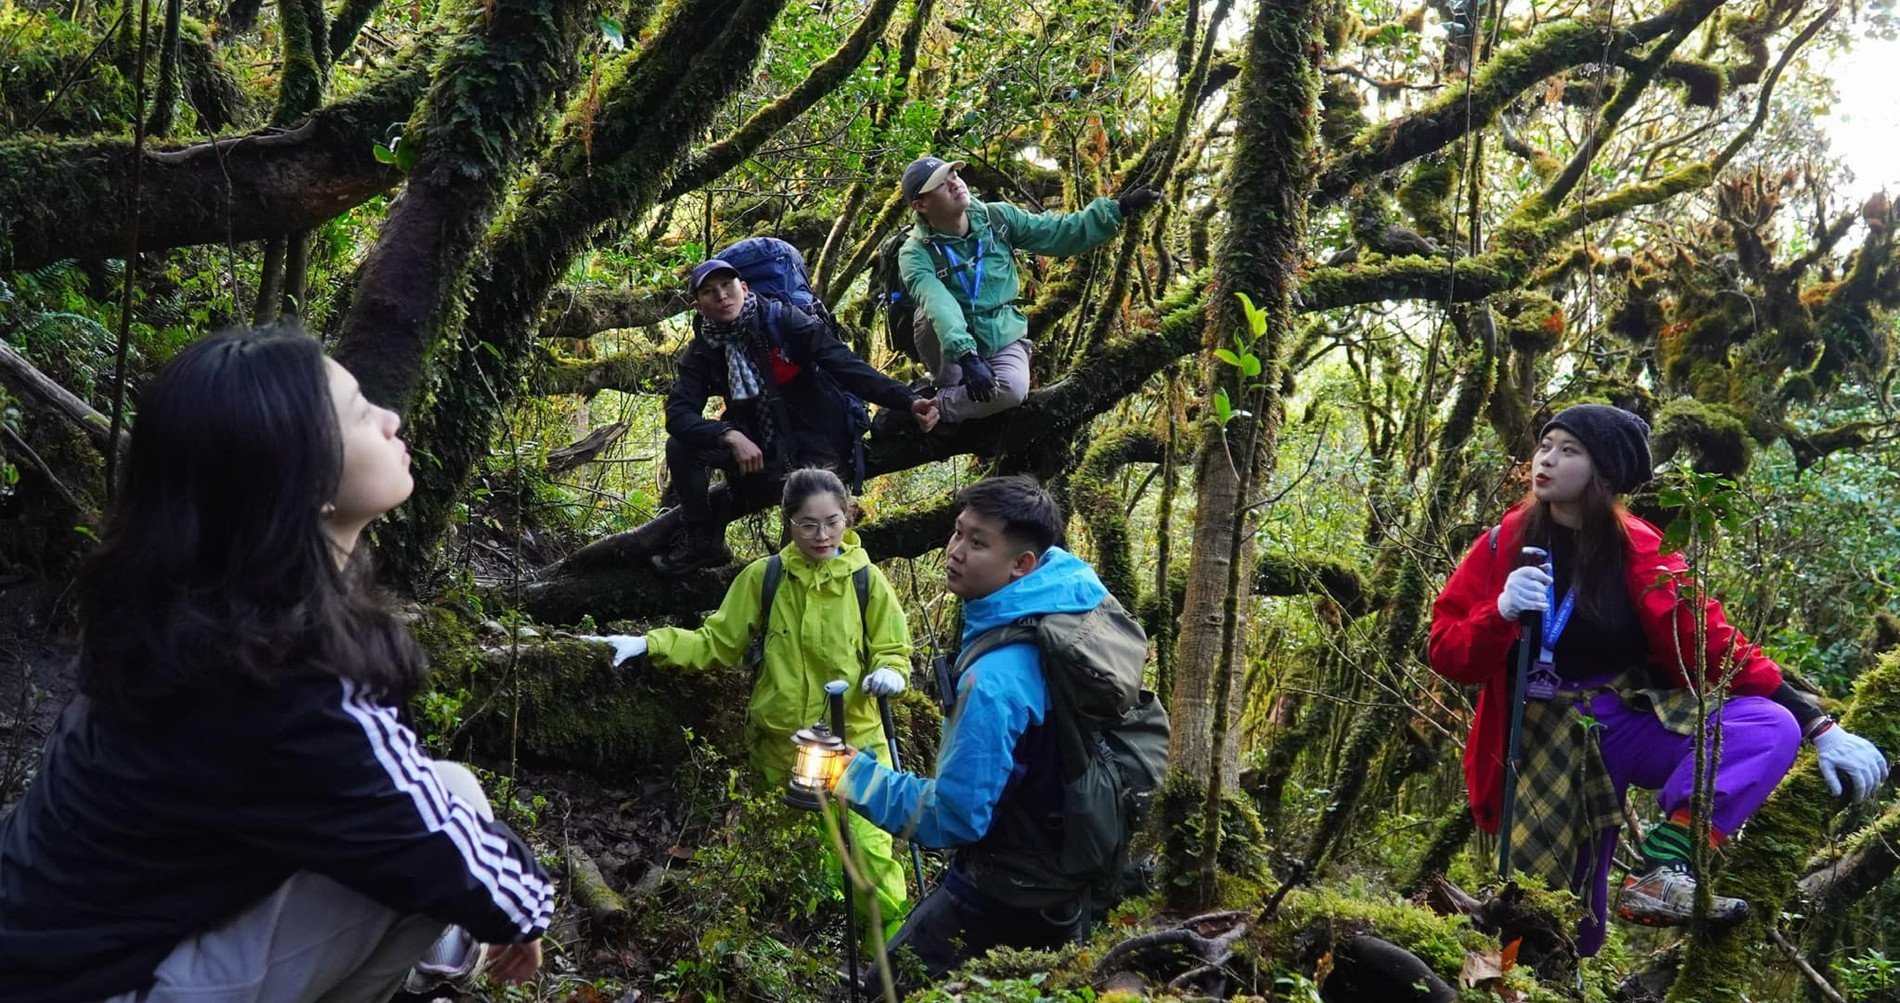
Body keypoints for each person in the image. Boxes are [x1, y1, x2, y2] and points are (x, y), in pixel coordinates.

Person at [0, 327, 554, 1002]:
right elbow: (433, 842)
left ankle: (431, 960)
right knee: (454, 814)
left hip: (46, 950)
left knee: (438, 811)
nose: (392, 418)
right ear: (305, 479)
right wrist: (527, 906)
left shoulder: (189, 610)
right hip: (101, 985)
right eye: (359, 413)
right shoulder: (286, 677)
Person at [1428, 403, 1888, 955]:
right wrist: (1498, 613)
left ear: (1604, 472)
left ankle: (1665, 866)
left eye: (1568, 451)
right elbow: (1446, 652)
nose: (1545, 460)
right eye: (1544, 446)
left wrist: (1819, 725)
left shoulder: (1639, 546)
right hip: (1542, 739)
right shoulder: (1504, 542)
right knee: (1567, 926)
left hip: (1626, 719)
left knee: (1767, 726)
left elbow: (1714, 643)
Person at [588, 468, 915, 941]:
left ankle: (891, 958)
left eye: (832, 521)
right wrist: (650, 643)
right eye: (808, 524)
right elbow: (717, 642)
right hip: (780, 749)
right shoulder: (766, 578)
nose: (821, 535)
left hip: (855, 746)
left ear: (847, 517)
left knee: (871, 855)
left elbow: (892, 648)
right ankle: (809, 950)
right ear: (789, 523)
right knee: (801, 859)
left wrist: (891, 673)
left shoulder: (868, 582)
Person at [823, 474, 1105, 980]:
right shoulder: (1069, 602)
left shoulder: (993, 682)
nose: (955, 550)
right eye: (958, 531)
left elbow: (953, 818)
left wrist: (844, 773)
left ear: (1023, 565)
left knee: (887, 986)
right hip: (1066, 871)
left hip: (1009, 886)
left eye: (978, 543)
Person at [656, 258, 939, 574]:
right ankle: (701, 540)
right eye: (709, 292)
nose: (722, 296)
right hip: (759, 450)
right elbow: (678, 414)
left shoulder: (786, 322)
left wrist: (909, 401)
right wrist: (728, 435)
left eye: (727, 285)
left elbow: (849, 368)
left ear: (743, 288)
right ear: (699, 306)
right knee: (680, 447)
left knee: (804, 554)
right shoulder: (703, 350)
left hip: (817, 446)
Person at [897, 155, 1162, 423]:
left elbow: (1057, 232)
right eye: (941, 184)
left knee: (1013, 390)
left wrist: (1120, 208)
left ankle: (933, 408)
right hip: (949, 345)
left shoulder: (997, 217)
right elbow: (938, 301)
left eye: (953, 175)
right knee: (930, 316)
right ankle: (947, 387)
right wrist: (966, 355)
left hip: (1000, 333)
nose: (954, 183)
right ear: (921, 205)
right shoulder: (915, 252)